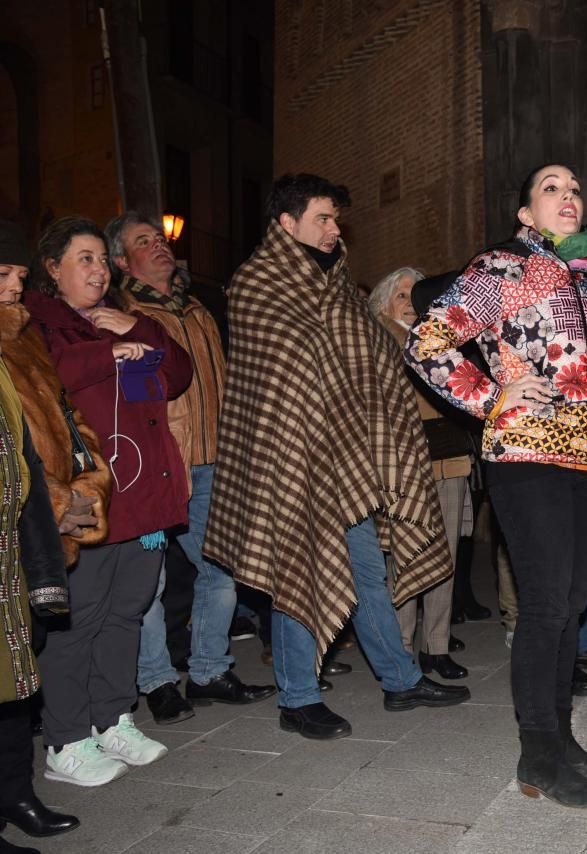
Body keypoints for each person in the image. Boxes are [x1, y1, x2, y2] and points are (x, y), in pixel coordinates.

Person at [406, 163, 587, 809]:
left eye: (574, 189)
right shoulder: (504, 269)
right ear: (527, 213)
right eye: (551, 188)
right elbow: (428, 339)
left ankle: (562, 742)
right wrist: (491, 397)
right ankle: (538, 754)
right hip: (528, 456)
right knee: (547, 605)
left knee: (570, 608)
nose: (567, 197)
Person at [204, 173, 468, 741]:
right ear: (286, 222)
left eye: (335, 219)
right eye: (322, 218)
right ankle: (297, 699)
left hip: (344, 459)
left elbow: (368, 353)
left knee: (369, 573)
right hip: (291, 461)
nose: (333, 229)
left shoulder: (338, 284)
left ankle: (400, 681)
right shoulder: (256, 284)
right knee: (299, 572)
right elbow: (284, 375)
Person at [24, 216, 193, 785]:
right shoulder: (39, 322)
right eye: (85, 259)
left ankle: (112, 718)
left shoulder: (123, 317)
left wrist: (138, 325)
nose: (98, 269)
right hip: (89, 497)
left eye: (101, 258)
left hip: (143, 493)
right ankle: (65, 740)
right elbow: (53, 375)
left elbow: (174, 377)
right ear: (53, 269)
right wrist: (118, 347)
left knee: (128, 611)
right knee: (80, 619)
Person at [105, 212, 276, 724]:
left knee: (220, 568)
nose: (159, 245)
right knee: (150, 583)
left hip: (212, 461)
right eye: (143, 241)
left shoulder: (200, 308)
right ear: (121, 261)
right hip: (159, 467)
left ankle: (207, 672)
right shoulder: (121, 313)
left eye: (159, 238)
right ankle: (157, 682)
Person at [0, 223, 80, 850]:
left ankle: (16, 796)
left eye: (19, 279)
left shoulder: (12, 349)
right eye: (3, 277)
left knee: (11, 683)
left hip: (9, 548)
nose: (14, 289)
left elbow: (22, 450)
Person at [369, 266, 469, 681]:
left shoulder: (436, 337)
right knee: (408, 554)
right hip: (406, 460)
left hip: (449, 454)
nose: (410, 305)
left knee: (446, 555)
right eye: (401, 296)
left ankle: (437, 646)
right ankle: (403, 647)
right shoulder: (378, 337)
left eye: (416, 296)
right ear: (384, 302)